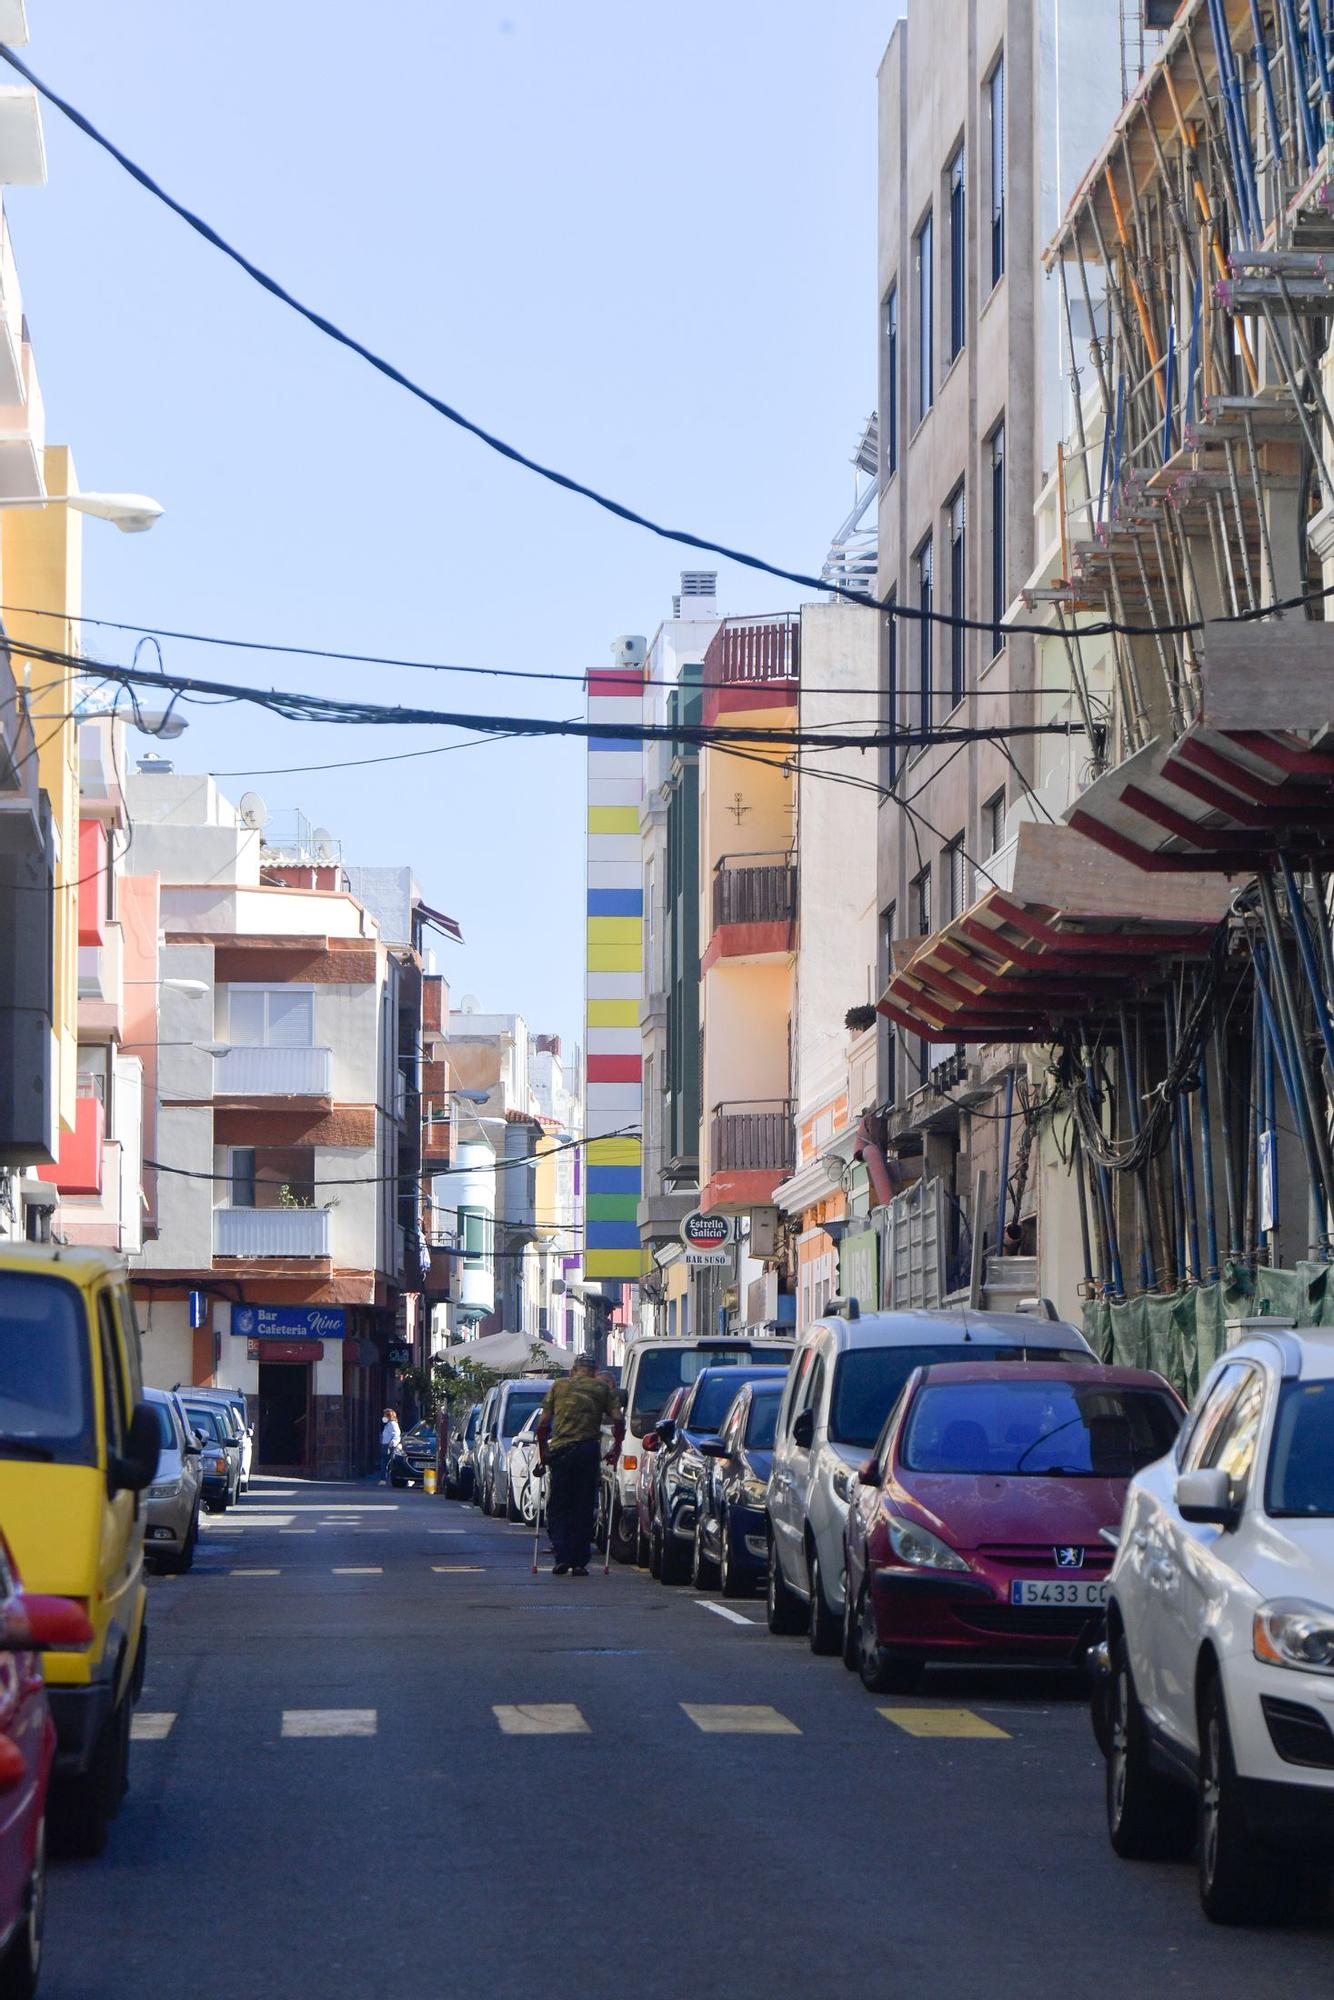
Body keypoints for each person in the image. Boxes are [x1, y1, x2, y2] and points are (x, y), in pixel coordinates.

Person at [535, 1354, 623, 1575]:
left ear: (573, 1370)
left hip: (562, 1451)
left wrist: (543, 1450)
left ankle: (562, 1555)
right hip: (587, 1450)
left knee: (560, 1505)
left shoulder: (559, 1386)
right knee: (583, 1505)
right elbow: (618, 1419)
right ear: (594, 1372)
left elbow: (544, 1422)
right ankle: (580, 1561)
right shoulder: (603, 1389)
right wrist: (617, 1447)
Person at [379, 1406, 401, 1484]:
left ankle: (383, 1479)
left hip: (389, 1446)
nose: (384, 1417)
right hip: (386, 1445)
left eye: (385, 1415)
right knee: (385, 1463)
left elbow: (396, 1434)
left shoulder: (392, 1424)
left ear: (389, 1416)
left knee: (385, 1463)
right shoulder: (388, 1424)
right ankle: (383, 1479)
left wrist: (392, 1444)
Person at [434, 1401, 450, 1495]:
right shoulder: (443, 1422)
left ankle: (440, 1486)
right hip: (443, 1449)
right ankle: (439, 1486)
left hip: (444, 1449)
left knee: (443, 1464)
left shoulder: (445, 1422)